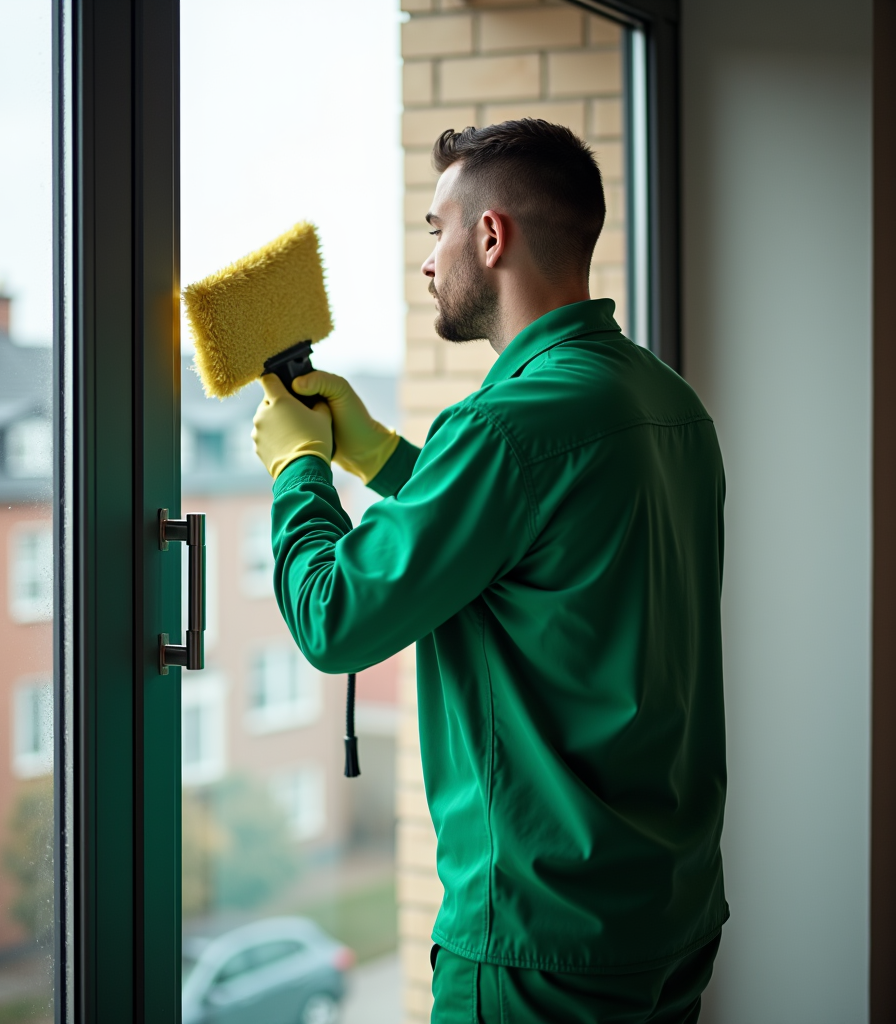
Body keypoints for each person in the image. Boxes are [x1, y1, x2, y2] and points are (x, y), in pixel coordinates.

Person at [251, 119, 728, 1023]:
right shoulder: (668, 404)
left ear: (491, 235)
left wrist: (298, 469)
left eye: (436, 231)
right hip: (666, 911)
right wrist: (382, 456)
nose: (427, 262)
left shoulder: (504, 426)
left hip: (538, 941)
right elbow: (538, 546)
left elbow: (335, 618)